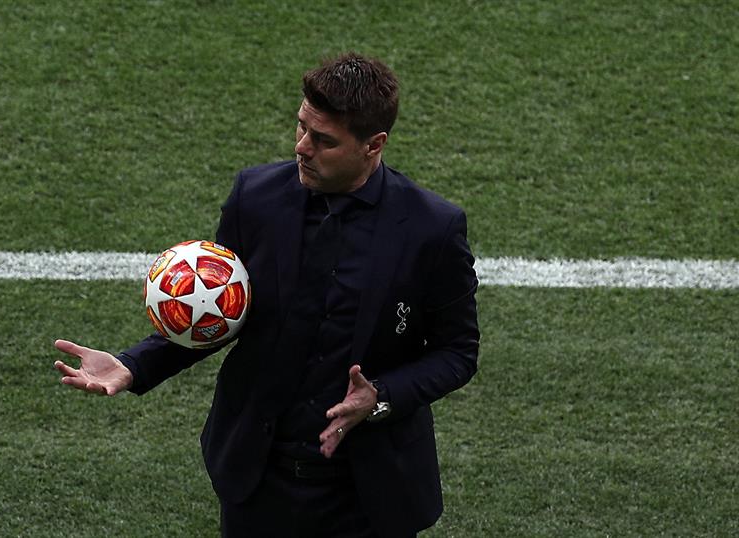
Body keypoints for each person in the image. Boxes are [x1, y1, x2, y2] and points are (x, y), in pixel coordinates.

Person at [54, 52, 480, 538]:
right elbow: (220, 309)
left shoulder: (432, 228)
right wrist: (135, 364)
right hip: (258, 483)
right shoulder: (255, 197)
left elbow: (458, 352)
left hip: (368, 498)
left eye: (324, 141)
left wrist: (381, 397)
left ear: (373, 145)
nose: (303, 147)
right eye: (301, 127)